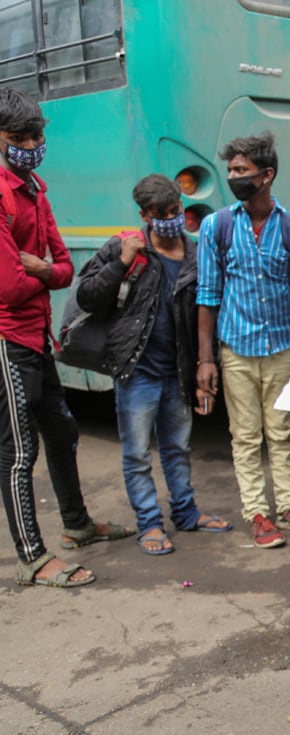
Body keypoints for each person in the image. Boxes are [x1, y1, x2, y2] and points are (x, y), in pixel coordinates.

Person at [0, 87, 133, 587]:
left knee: (62, 434)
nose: (30, 144)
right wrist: (40, 269)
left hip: (35, 336)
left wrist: (38, 268)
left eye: (36, 135)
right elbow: (11, 287)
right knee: (17, 453)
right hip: (8, 338)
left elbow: (64, 270)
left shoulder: (36, 190)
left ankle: (76, 526)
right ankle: (33, 558)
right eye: (19, 137)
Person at [74, 175, 232, 555]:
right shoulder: (125, 248)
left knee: (177, 447)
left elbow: (206, 312)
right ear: (145, 215)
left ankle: (186, 512)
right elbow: (86, 296)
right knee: (137, 453)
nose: (170, 219)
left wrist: (202, 367)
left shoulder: (196, 255)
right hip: (136, 372)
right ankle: (149, 523)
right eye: (160, 214)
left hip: (177, 371)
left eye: (175, 211)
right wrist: (121, 262)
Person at [196, 131, 290, 549]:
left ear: (266, 174)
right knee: (247, 437)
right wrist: (206, 360)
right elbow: (207, 296)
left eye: (241, 170)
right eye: (231, 169)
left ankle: (289, 506)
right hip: (235, 354)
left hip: (284, 354)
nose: (233, 176)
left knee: (282, 432)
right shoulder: (217, 227)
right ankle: (257, 511)